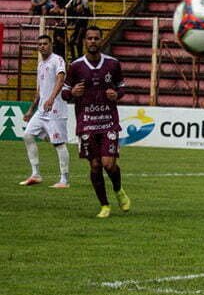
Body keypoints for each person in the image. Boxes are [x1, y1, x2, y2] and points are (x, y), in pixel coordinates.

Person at [61, 25, 131, 218]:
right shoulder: (75, 66)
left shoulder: (113, 64)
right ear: (85, 41)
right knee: (95, 165)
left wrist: (116, 94)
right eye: (89, 38)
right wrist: (72, 93)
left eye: (96, 38)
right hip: (86, 123)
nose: (92, 41)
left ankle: (118, 190)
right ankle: (104, 205)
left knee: (109, 164)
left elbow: (122, 87)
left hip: (108, 121)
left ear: (101, 40)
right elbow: (65, 92)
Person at [19, 35, 71, 188]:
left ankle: (64, 180)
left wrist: (52, 98)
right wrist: (30, 110)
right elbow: (39, 90)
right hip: (41, 111)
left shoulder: (58, 60)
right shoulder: (41, 64)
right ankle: (35, 174)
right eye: (40, 44)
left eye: (45, 43)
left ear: (51, 45)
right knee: (27, 136)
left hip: (56, 110)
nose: (42, 46)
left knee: (59, 144)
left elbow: (61, 80)